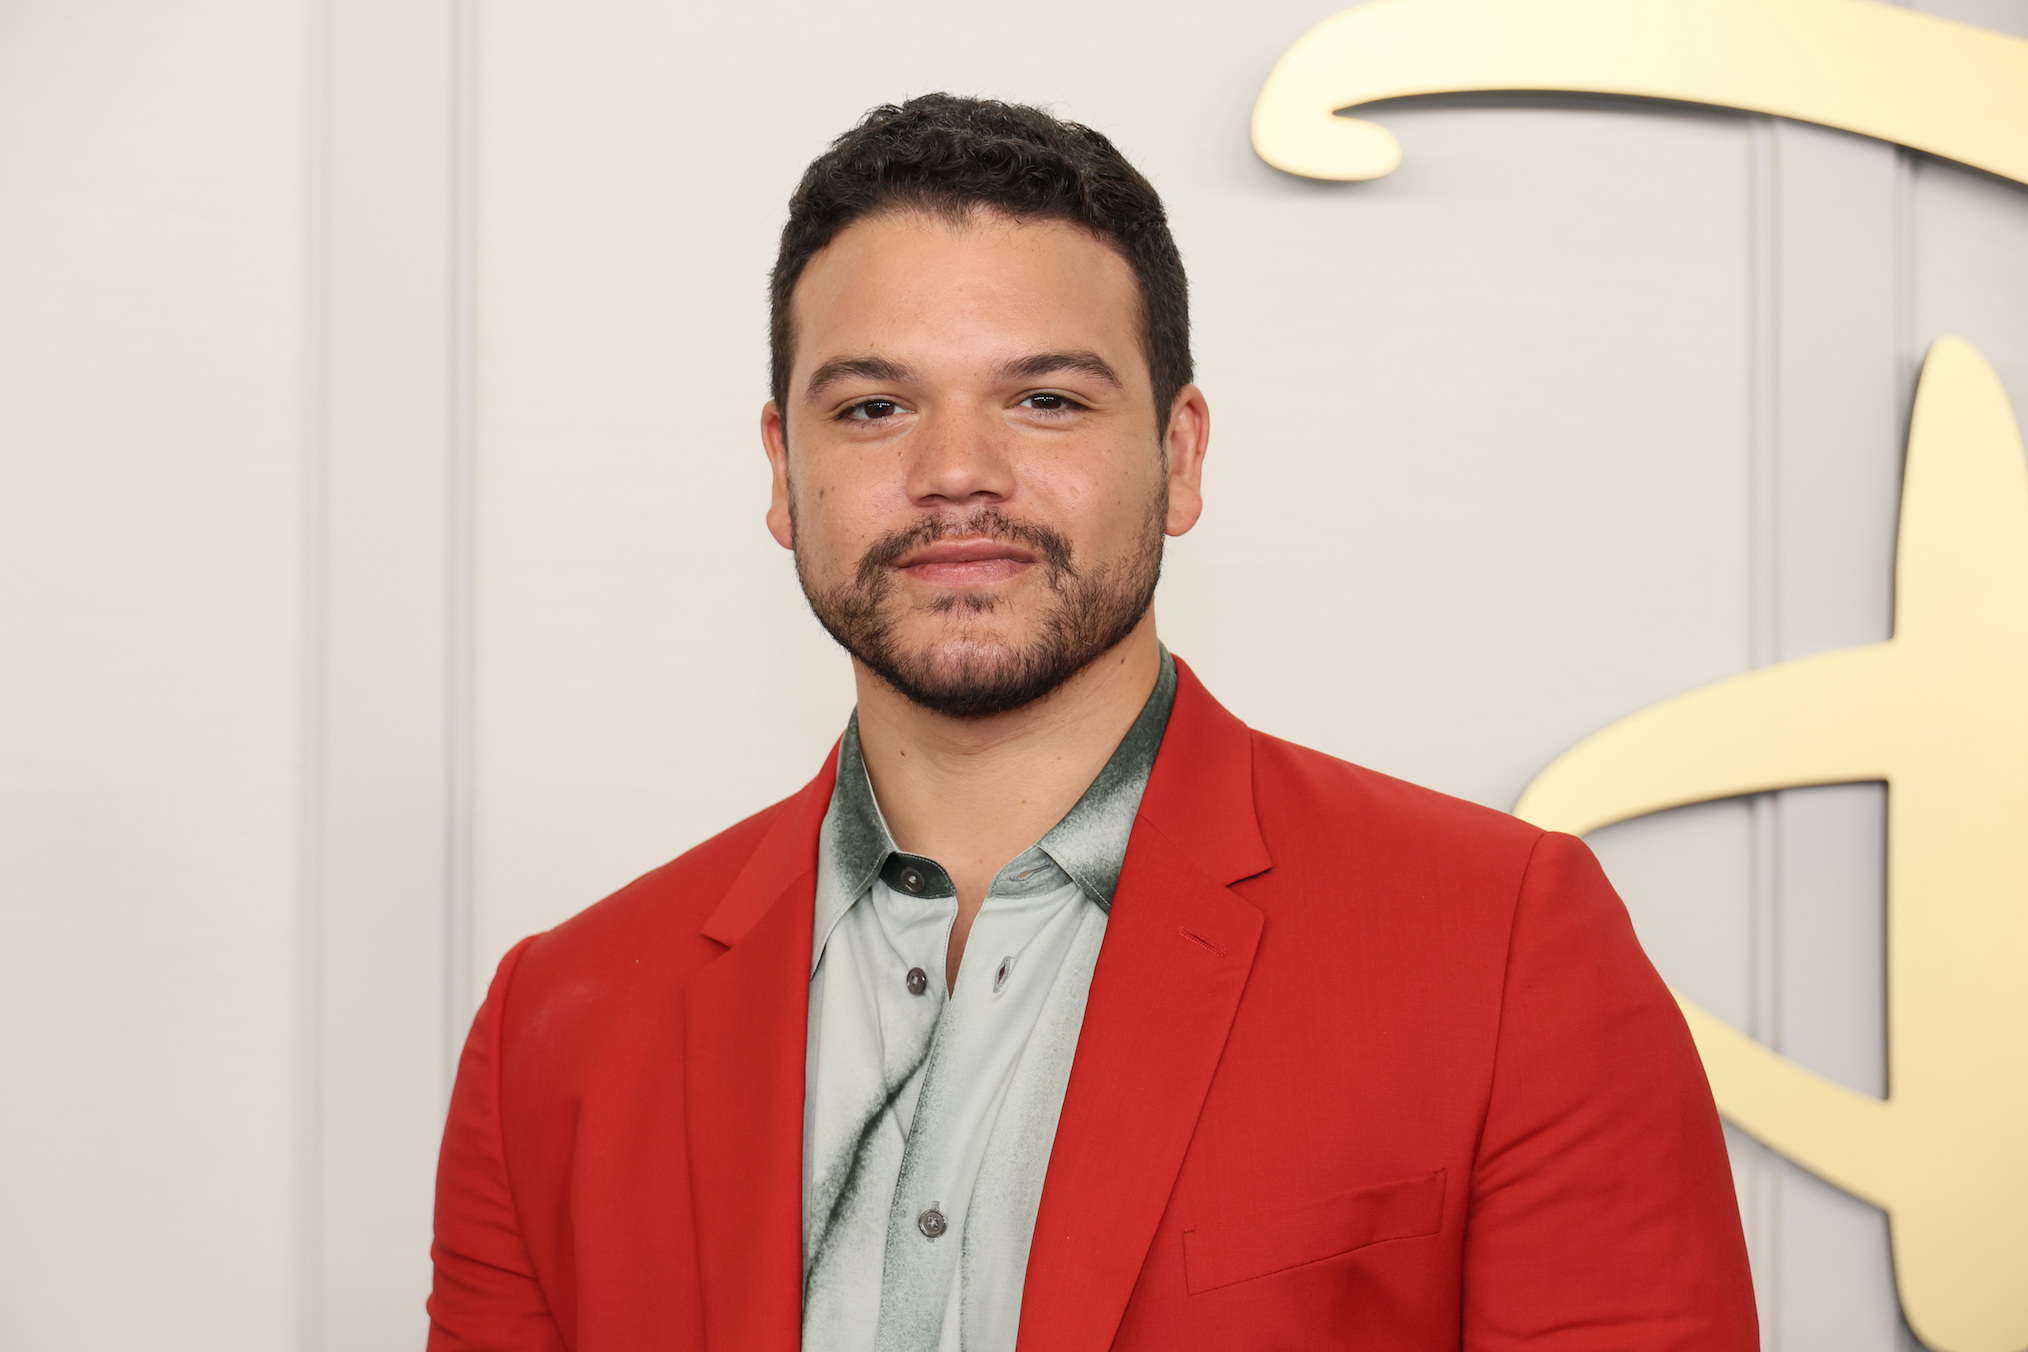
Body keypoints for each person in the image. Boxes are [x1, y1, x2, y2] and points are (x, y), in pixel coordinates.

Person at [426, 94, 1757, 1352]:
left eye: (1045, 399)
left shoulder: (1505, 949)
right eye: (875, 408)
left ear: (1180, 457)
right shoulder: (559, 1030)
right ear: (784, 473)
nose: (956, 473)